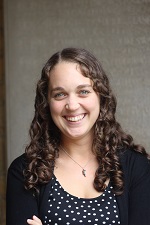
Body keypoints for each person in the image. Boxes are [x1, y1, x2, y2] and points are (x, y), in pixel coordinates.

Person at [6, 47, 150, 225]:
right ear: (47, 104)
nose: (72, 105)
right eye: (60, 94)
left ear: (101, 97)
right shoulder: (25, 172)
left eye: (83, 91)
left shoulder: (136, 167)